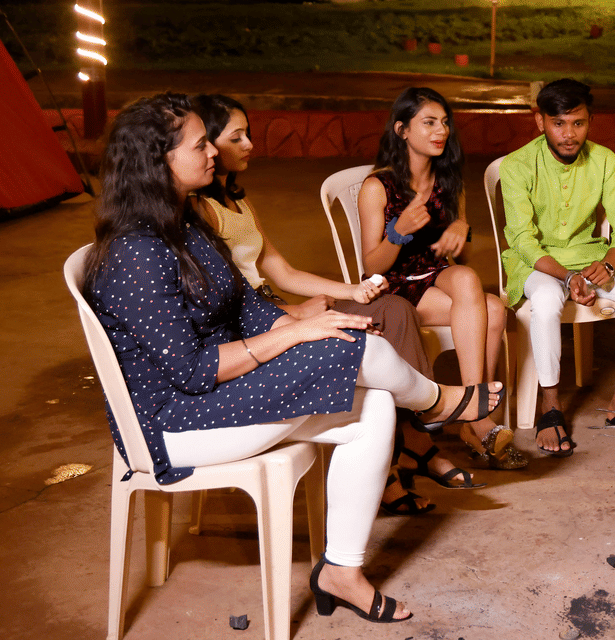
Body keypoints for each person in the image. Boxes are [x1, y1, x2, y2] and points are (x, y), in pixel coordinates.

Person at [83, 93, 504, 623]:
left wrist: (299, 324)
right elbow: (191, 371)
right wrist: (296, 339)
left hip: (214, 392)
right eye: (199, 145)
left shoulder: (186, 222)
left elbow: (247, 303)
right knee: (354, 350)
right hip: (173, 422)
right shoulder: (135, 251)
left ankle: (340, 571)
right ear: (157, 161)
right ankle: (436, 402)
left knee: (371, 399)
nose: (212, 151)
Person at [190, 94, 495, 516]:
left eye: (249, 135)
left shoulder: (238, 204)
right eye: (236, 136)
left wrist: (349, 290)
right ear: (203, 143)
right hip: (256, 324)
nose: (249, 145)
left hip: (271, 307)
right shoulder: (197, 212)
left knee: (394, 310)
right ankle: (416, 444)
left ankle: (414, 441)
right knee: (393, 311)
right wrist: (293, 315)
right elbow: (225, 296)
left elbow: (280, 269)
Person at [356, 87, 524, 471]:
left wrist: (461, 228)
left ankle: (471, 407)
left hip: (434, 275)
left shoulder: (448, 182)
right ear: (402, 130)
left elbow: (458, 257)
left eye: (444, 122)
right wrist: (397, 231)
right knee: (493, 309)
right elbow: (371, 268)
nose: (441, 131)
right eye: (429, 123)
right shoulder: (376, 187)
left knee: (470, 282)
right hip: (394, 285)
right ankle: (479, 419)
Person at [500, 78, 615, 455]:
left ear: (591, 121)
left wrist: (607, 264)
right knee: (544, 299)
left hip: (591, 257)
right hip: (538, 263)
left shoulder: (605, 160)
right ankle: (551, 406)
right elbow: (523, 240)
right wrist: (569, 276)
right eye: (559, 123)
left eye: (578, 123)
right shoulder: (517, 166)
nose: (569, 134)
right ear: (539, 121)